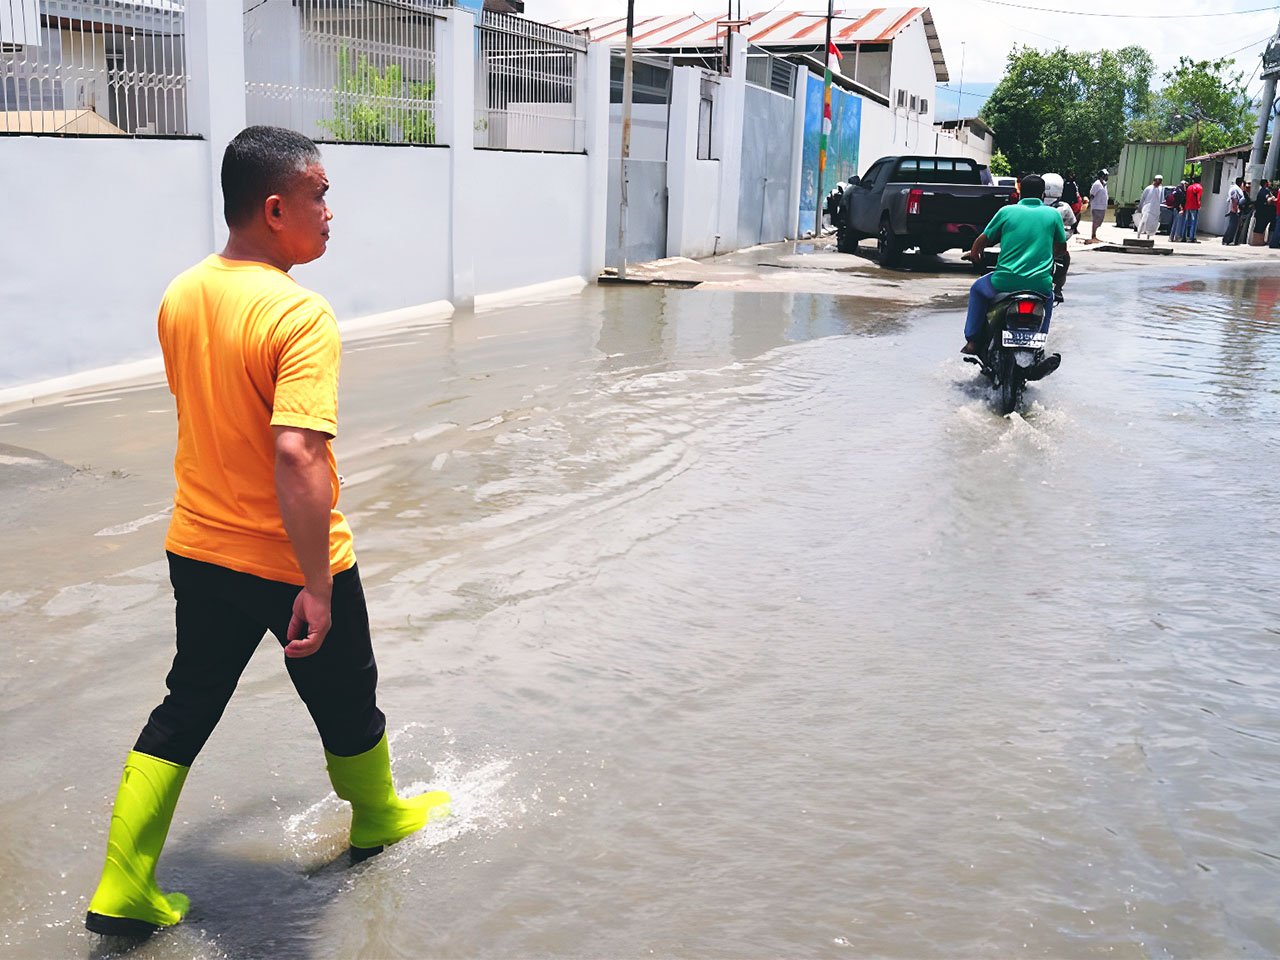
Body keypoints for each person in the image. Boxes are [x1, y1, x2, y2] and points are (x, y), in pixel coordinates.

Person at [83, 126, 451, 938]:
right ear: (276, 207)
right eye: (320, 194)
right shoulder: (299, 314)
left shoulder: (182, 292)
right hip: (287, 560)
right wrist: (316, 584)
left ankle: (123, 881)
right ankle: (380, 818)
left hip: (198, 546)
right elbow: (296, 451)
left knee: (186, 705)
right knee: (351, 708)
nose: (331, 212)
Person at [959, 173, 1066, 377]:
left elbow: (981, 242)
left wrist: (975, 256)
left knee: (977, 289)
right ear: (1043, 195)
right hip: (1039, 285)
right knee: (1049, 298)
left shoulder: (1007, 211)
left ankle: (973, 341)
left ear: (1019, 193)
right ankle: (1039, 344)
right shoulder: (1053, 215)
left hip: (1004, 282)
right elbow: (1061, 248)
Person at [1042, 172, 1075, 301]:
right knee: (1064, 259)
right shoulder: (1063, 208)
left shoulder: (1029, 206)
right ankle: (1058, 289)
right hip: (1055, 245)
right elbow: (1072, 225)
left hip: (1035, 244)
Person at [1134, 174, 1164, 240]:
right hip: (1147, 207)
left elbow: (1161, 200)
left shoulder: (1161, 189)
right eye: (1157, 181)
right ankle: (1138, 235)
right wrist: (1140, 207)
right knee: (1144, 221)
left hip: (1155, 209)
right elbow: (1143, 198)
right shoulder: (1148, 188)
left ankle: (1148, 236)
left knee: (1152, 223)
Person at [1087, 169, 1109, 244]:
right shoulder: (1097, 184)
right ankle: (1093, 235)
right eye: (1106, 176)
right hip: (1096, 207)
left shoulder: (1104, 184)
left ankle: (1094, 235)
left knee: (1099, 222)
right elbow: (1092, 195)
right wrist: (1089, 204)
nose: (1107, 177)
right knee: (1096, 222)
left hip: (1102, 207)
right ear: (1102, 176)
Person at [1250, 179, 1273, 245]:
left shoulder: (1261, 191)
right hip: (1263, 213)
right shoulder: (1265, 191)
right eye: (1268, 182)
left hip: (1259, 212)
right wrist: (1272, 198)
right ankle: (1258, 241)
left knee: (1258, 226)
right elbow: (1268, 200)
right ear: (1265, 183)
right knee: (1260, 227)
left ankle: (1256, 241)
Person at [1224, 176, 1246, 245]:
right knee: (1232, 226)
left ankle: (1228, 240)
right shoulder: (1236, 189)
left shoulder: (1237, 189)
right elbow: (1234, 199)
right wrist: (1235, 209)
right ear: (1241, 183)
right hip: (1235, 210)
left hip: (1235, 209)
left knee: (1232, 225)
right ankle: (1227, 240)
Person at [1184, 174, 1203, 242]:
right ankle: (1191, 237)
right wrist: (1199, 205)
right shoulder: (1199, 187)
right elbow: (1198, 198)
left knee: (1186, 221)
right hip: (1194, 206)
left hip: (1187, 206)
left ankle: (1184, 236)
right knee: (1194, 222)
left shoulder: (1189, 187)